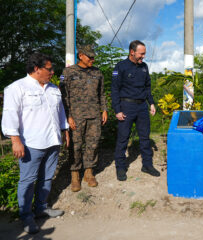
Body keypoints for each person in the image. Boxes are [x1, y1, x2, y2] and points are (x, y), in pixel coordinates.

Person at [1, 52, 69, 234]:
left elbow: (60, 112)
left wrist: (65, 130)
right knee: (28, 181)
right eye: (49, 68)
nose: (52, 72)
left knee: (47, 178)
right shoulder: (17, 88)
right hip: (31, 144)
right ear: (36, 69)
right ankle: (26, 216)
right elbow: (10, 116)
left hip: (53, 141)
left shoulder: (53, 88)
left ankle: (41, 209)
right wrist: (15, 141)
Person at [60, 45, 108, 192]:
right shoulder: (68, 72)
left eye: (93, 57)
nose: (92, 59)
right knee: (75, 145)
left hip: (94, 115)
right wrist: (68, 116)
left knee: (92, 144)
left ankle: (89, 172)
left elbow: (101, 93)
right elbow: (63, 96)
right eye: (89, 57)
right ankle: (75, 174)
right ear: (80, 55)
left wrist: (104, 110)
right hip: (76, 117)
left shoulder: (97, 72)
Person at [111, 40, 159, 181]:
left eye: (144, 54)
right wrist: (117, 110)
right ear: (132, 52)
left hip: (142, 107)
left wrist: (151, 103)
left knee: (145, 137)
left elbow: (147, 87)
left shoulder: (144, 67)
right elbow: (114, 90)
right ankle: (120, 167)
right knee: (123, 138)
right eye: (141, 53)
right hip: (126, 106)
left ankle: (147, 165)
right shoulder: (121, 66)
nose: (143, 56)